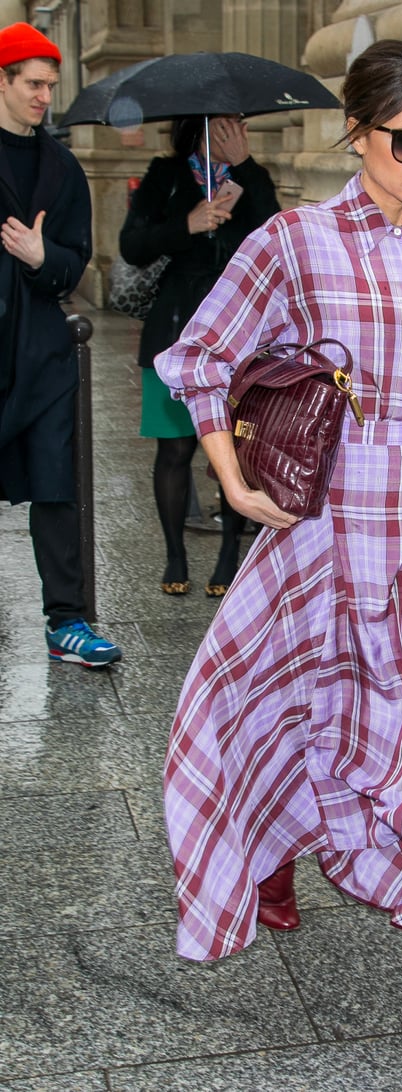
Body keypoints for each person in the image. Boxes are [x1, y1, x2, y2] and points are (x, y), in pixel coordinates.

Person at [157, 40, 402, 1079]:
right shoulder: (294, 241)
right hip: (325, 527)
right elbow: (203, 357)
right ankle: (268, 851)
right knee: (282, 703)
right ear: (356, 132)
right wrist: (229, 480)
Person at [0, 22, 122, 668]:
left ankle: (68, 622)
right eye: (33, 84)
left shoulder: (63, 167)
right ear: (2, 81)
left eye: (50, 85)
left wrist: (41, 256)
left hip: (43, 350)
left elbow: (74, 265)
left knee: (56, 484)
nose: (45, 97)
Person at [119, 114, 279, 596]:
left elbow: (278, 237)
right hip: (173, 330)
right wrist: (186, 225)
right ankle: (175, 553)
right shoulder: (165, 175)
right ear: (199, 128)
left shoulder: (251, 177)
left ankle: (230, 551)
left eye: (241, 124)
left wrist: (245, 167)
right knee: (175, 448)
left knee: (233, 447)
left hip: (237, 336)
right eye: (225, 125)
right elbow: (132, 246)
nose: (236, 132)